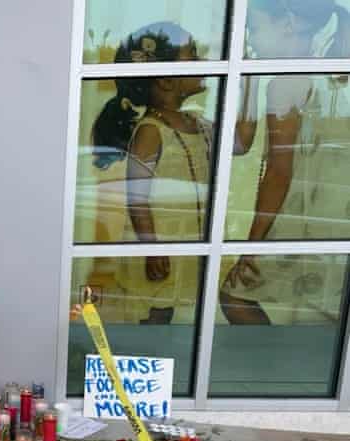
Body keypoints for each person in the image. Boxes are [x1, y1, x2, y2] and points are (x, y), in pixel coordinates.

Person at [224, 0, 350, 325]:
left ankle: (270, 374)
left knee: (235, 296)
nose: (250, 40)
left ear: (288, 24)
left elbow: (279, 173)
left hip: (306, 221)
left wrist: (251, 248)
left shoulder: (288, 83)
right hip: (338, 219)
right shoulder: (336, 76)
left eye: (254, 27)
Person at [92, 23, 211, 325]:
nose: (204, 64)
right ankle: (141, 360)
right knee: (153, 312)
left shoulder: (195, 123)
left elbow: (241, 142)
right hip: (158, 241)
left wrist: (247, 79)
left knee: (164, 309)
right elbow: (137, 196)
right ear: (166, 80)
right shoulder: (150, 132)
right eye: (193, 57)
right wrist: (152, 247)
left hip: (181, 238)